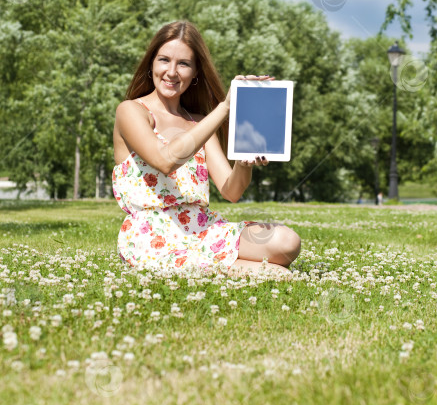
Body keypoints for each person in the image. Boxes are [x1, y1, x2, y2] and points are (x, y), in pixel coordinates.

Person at [112, 20, 301, 277]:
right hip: (152, 235)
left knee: (287, 242)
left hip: (201, 228)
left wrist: (242, 163)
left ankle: (220, 264)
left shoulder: (199, 122)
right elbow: (165, 160)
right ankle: (229, 268)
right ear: (151, 64)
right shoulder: (131, 111)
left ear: (195, 72)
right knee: (279, 273)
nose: (172, 71)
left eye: (184, 64)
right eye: (164, 60)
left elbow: (231, 191)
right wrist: (224, 108)